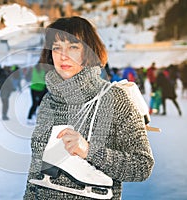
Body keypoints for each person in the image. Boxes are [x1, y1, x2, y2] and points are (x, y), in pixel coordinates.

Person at [23, 16, 154, 200]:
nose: (63, 55)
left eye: (73, 47)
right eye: (57, 47)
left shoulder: (115, 99)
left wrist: (89, 151)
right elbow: (36, 171)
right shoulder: (49, 101)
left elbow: (143, 166)